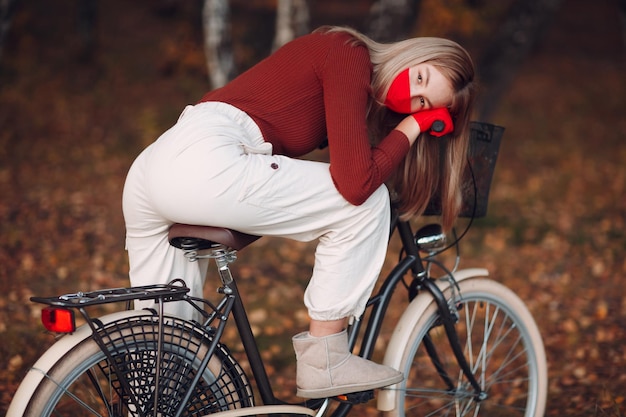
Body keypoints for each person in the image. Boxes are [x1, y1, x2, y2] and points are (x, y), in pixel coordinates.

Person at [122, 25, 475, 399]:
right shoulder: (348, 53)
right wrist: (414, 123)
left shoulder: (352, 81)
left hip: (157, 167)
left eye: (423, 103)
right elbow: (356, 184)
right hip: (208, 159)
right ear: (411, 54)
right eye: (420, 77)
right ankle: (326, 361)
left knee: (162, 344)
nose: (412, 96)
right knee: (368, 202)